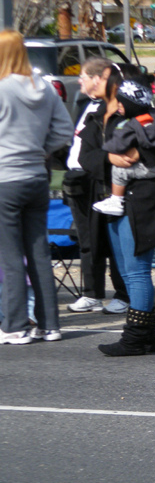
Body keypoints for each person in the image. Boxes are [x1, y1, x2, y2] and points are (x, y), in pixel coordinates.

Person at [78, 64, 155, 356]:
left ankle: (135, 336)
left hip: (142, 200)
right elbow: (86, 156)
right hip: (110, 201)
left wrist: (140, 153)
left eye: (93, 78)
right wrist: (109, 157)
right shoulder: (95, 116)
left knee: (136, 271)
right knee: (125, 269)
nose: (87, 82)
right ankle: (146, 335)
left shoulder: (145, 114)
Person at [0, 29, 73, 344]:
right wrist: (40, 151)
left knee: (10, 255)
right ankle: (49, 324)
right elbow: (64, 131)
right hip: (36, 176)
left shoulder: (1, 89)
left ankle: (15, 325)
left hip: (4, 178)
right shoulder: (44, 88)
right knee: (39, 251)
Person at [63, 57, 131, 314]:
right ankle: (92, 293)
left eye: (85, 76)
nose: (79, 80)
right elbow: (79, 146)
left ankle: (123, 294)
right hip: (80, 180)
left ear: (99, 79)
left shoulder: (117, 110)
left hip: (105, 181)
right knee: (87, 239)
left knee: (113, 241)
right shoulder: (87, 106)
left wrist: (102, 161)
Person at [90, 79, 155, 217]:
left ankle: (116, 200)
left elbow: (120, 143)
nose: (118, 105)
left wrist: (108, 149)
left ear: (131, 105)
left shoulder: (131, 125)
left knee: (119, 172)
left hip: (144, 169)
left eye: (121, 102)